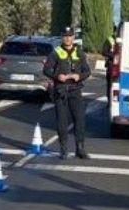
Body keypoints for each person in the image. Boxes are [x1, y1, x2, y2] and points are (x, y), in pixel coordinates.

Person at [43, 27, 91, 159]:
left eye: (70, 36)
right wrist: (57, 76)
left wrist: (79, 76)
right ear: (62, 38)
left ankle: (80, 148)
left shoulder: (79, 52)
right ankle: (63, 149)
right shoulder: (56, 53)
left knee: (80, 120)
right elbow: (46, 70)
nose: (67, 38)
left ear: (73, 38)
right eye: (65, 36)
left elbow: (87, 71)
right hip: (61, 90)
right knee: (62, 121)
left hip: (75, 90)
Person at [101, 25, 118, 100]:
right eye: (116, 31)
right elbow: (104, 52)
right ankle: (109, 101)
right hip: (111, 65)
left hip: (122, 66)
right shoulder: (109, 40)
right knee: (110, 84)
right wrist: (114, 55)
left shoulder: (125, 38)